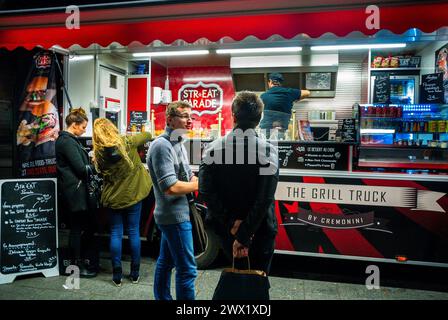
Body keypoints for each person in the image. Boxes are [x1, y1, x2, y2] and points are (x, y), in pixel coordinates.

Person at [199, 91, 279, 278]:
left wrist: (234, 226)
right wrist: (245, 233)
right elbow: (265, 198)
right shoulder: (268, 150)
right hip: (261, 231)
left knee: (236, 280)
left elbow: (205, 190)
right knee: (258, 282)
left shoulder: (212, 148)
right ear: (259, 119)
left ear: (233, 116)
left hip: (226, 230)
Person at [147, 101, 199, 300]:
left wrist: (196, 179)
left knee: (165, 262)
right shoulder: (162, 145)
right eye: (184, 116)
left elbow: (186, 176)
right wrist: (200, 185)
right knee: (188, 270)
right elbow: (170, 187)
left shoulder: (178, 143)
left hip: (177, 212)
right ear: (169, 119)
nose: (189, 121)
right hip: (174, 216)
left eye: (191, 117)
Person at [93, 118, 152, 287]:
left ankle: (117, 274)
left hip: (113, 198)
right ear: (112, 129)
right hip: (133, 195)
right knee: (134, 231)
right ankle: (134, 273)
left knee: (116, 233)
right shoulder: (127, 142)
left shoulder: (99, 153)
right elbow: (148, 135)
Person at [56, 107, 97, 278]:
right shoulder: (67, 141)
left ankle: (78, 264)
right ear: (74, 124)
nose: (84, 130)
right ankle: (76, 267)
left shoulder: (69, 140)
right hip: (75, 192)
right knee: (77, 228)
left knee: (78, 227)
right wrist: (93, 162)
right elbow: (81, 169)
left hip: (73, 190)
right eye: (82, 127)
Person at [259, 72, 310, 138]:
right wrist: (295, 100)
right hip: (281, 129)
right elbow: (307, 93)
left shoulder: (263, 96)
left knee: (265, 146)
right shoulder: (289, 93)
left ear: (270, 82)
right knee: (281, 145)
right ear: (280, 83)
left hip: (265, 130)